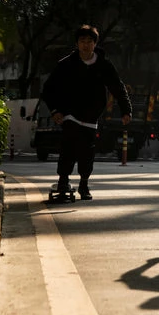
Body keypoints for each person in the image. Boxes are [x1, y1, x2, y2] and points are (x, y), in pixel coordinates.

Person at [42, 24, 132, 200]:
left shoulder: (104, 65)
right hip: (69, 113)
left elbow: (117, 87)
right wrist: (55, 110)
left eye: (89, 41)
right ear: (77, 43)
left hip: (92, 115)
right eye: (82, 41)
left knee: (86, 151)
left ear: (95, 44)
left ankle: (84, 183)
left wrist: (126, 110)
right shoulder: (66, 64)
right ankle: (63, 180)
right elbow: (48, 89)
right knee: (68, 147)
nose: (85, 45)